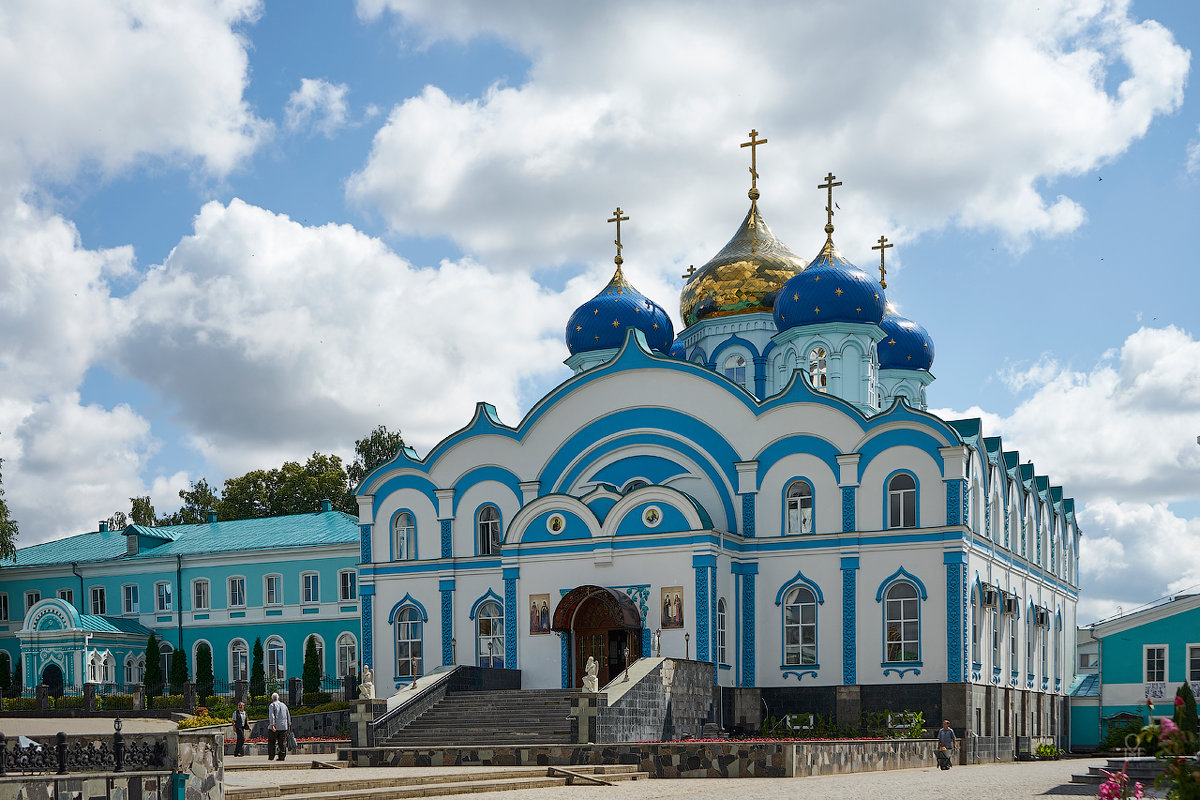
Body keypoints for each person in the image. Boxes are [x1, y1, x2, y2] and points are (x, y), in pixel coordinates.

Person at [267, 692, 291, 761]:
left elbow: (271, 716)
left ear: (272, 698)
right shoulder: (284, 705)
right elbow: (288, 715)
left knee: (271, 742)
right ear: (278, 698)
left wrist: (272, 725)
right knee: (282, 742)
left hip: (275, 727)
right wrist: (289, 724)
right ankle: (282, 756)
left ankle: (271, 756)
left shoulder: (272, 705)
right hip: (283, 727)